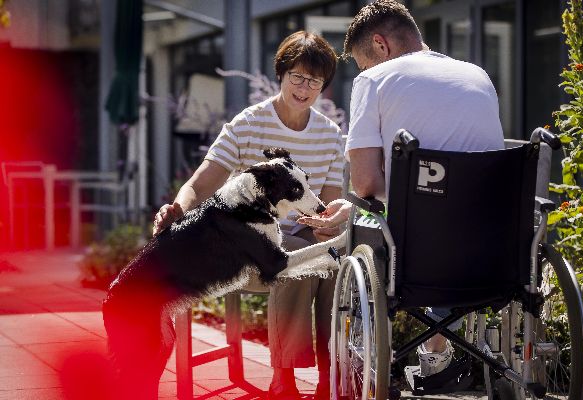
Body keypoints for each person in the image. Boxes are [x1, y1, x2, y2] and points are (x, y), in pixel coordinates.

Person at [299, 0, 504, 378]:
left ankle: (367, 359)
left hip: (420, 255)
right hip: (493, 249)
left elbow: (366, 185)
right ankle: (437, 356)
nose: (364, 72)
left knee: (376, 230)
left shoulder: (374, 81)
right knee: (445, 222)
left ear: (381, 44)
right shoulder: (477, 75)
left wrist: (355, 208)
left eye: (363, 63)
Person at [153, 31, 343, 400]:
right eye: (297, 77)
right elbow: (202, 182)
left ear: (324, 86)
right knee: (298, 260)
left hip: (297, 238)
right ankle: (283, 380)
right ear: (281, 74)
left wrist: (327, 227)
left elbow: (330, 203)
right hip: (243, 246)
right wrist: (177, 208)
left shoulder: (330, 135)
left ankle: (330, 377)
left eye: (314, 81)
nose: (304, 88)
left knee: (334, 261)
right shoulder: (249, 123)